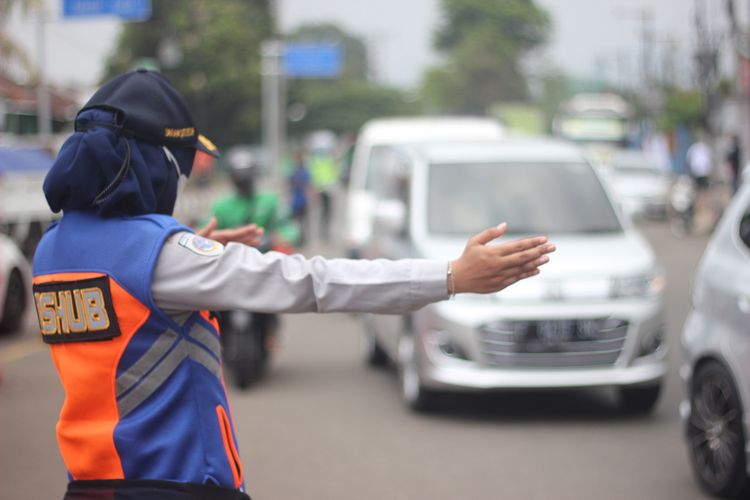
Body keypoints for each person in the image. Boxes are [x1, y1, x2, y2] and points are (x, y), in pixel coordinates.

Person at [32, 70, 555, 500]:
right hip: (176, 483)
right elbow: (310, 282)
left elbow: (126, 305)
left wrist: (186, 244)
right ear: (156, 163)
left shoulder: (51, 251)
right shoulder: (164, 257)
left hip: (90, 485)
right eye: (183, 165)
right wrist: (451, 276)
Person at [211, 147, 298, 249]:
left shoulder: (269, 201)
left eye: (247, 173)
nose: (243, 179)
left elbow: (288, 228)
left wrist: (274, 239)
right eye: (239, 175)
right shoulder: (222, 207)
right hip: (232, 260)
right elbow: (207, 233)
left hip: (266, 258)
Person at [287, 150, 312, 246]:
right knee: (301, 221)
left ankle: (299, 238)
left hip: (297, 200)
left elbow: (288, 186)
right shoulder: (303, 172)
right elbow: (308, 187)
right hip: (301, 200)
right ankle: (301, 238)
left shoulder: (293, 172)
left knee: (298, 221)